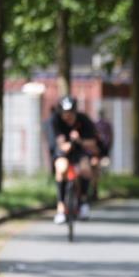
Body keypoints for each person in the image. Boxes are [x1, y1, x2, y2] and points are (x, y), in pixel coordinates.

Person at [50, 95, 99, 224]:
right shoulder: (55, 121)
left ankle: (83, 202)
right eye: (65, 113)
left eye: (71, 113)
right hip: (62, 152)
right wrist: (68, 143)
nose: (68, 116)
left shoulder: (84, 120)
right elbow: (61, 144)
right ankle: (61, 207)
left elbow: (93, 143)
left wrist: (79, 140)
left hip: (79, 151)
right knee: (62, 168)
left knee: (86, 169)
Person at [91, 108, 114, 201]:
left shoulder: (95, 124)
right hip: (102, 148)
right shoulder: (107, 124)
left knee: (97, 167)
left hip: (99, 148)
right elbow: (111, 136)